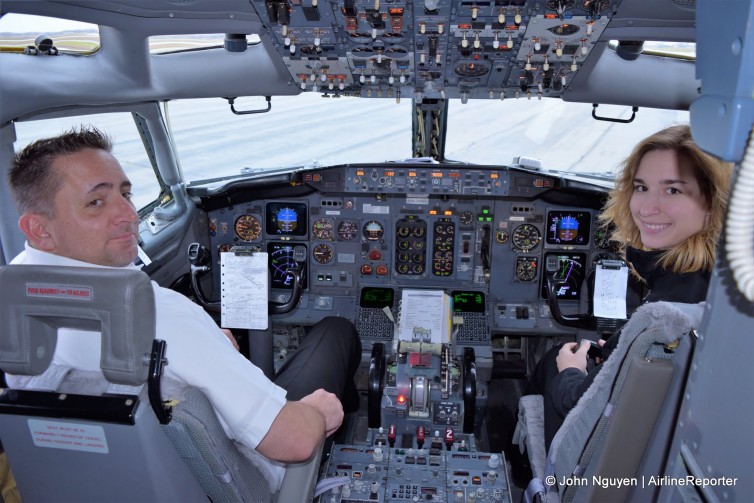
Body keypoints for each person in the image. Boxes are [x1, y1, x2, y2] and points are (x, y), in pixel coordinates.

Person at [6, 126, 362, 491]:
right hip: (243, 479)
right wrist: (319, 412)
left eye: (126, 194)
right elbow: (294, 441)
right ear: (39, 229)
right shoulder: (156, 316)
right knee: (336, 331)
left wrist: (206, 343)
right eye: (96, 202)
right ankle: (351, 430)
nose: (128, 214)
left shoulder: (10, 302)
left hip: (93, 485)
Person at [528, 124, 732, 450]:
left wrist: (571, 371)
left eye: (673, 190)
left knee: (555, 357)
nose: (647, 208)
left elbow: (576, 401)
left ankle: (527, 468)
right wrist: (616, 350)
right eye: (641, 187)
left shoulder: (670, 306)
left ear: (713, 203)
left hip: (599, 450)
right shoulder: (720, 284)